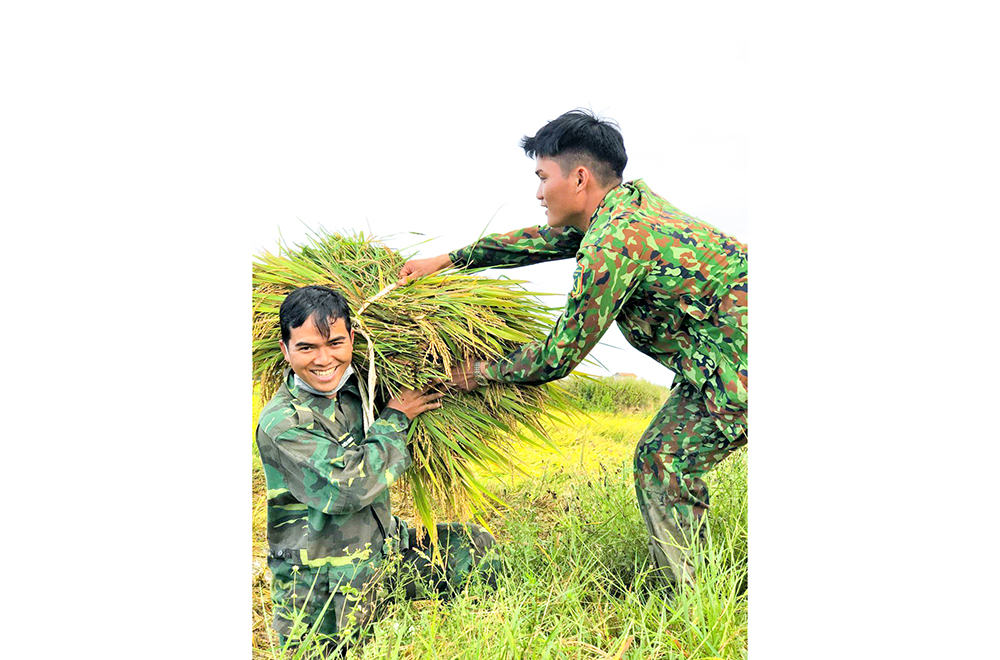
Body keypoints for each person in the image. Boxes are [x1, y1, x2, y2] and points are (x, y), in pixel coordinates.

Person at [397, 109, 748, 589]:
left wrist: (473, 373)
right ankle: (698, 587)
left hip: (741, 364)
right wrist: (448, 259)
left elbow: (559, 356)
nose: (538, 193)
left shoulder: (614, 243)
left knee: (664, 459)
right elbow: (535, 243)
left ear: (579, 178)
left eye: (543, 177)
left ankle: (695, 599)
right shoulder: (628, 208)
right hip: (719, 360)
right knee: (662, 458)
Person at [255, 285, 498, 653]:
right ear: (285, 350)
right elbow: (345, 488)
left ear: (352, 339)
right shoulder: (283, 422)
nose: (323, 360)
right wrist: (395, 419)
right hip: (322, 582)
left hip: (382, 552)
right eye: (307, 347)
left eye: (335, 343)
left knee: (473, 548)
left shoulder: (360, 389)